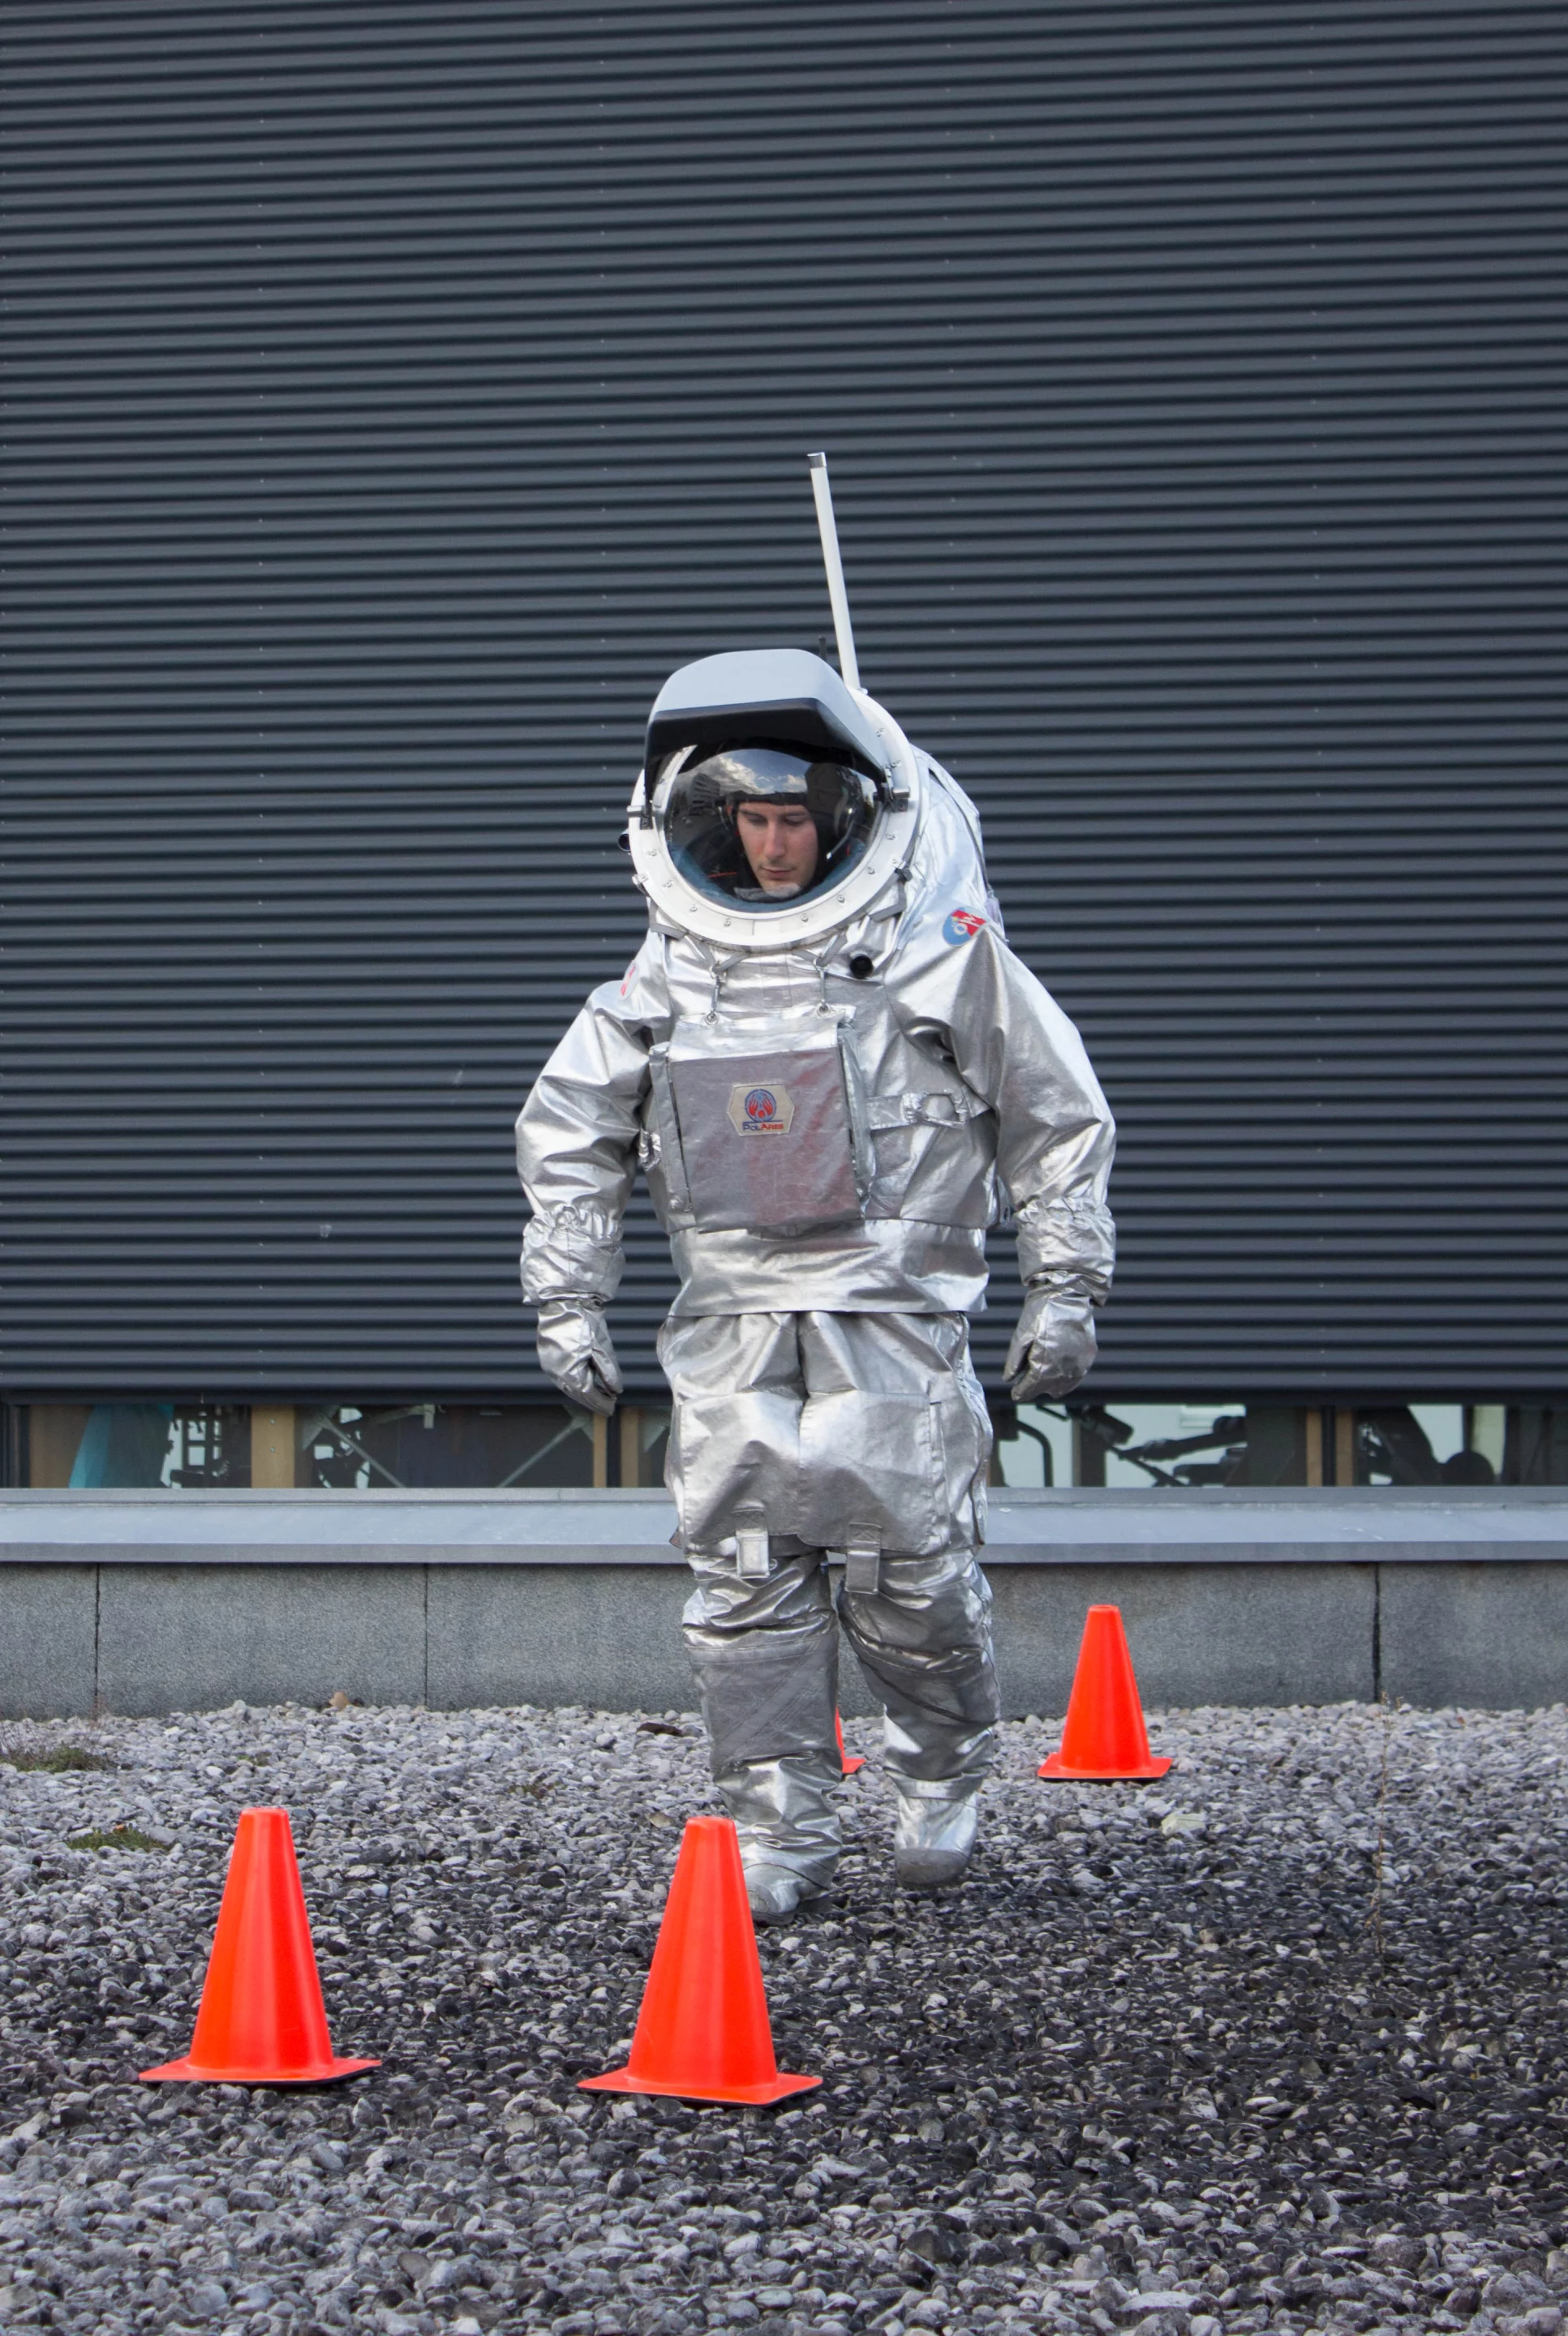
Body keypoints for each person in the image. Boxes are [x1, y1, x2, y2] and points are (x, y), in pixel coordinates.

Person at [516, 648, 1115, 1919]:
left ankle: (941, 1773)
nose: (775, 844)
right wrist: (565, 1299)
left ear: (845, 817)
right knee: (744, 1584)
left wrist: (1066, 1286)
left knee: (915, 1575)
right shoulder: (672, 969)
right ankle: (778, 1826)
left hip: (893, 1316)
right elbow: (571, 1128)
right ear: (709, 822)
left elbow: (1053, 1116)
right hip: (731, 1319)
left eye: (794, 817)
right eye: (751, 817)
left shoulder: (941, 956)